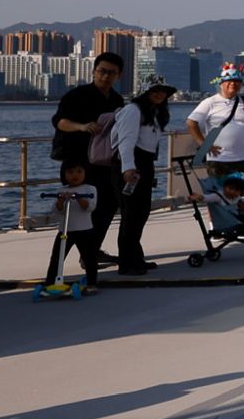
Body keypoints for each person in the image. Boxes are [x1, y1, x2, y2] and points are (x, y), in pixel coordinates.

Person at [50, 50, 126, 285]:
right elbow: (60, 121)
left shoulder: (116, 100)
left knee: (106, 206)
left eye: (111, 73)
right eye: (102, 71)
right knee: (76, 213)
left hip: (103, 161)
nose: (106, 76)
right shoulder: (77, 95)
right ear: (94, 71)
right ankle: (56, 269)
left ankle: (91, 251)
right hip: (77, 162)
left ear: (118, 75)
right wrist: (82, 127)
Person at [111, 73, 175, 275]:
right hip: (130, 164)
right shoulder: (133, 110)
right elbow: (126, 141)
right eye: (155, 90)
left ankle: (135, 257)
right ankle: (126, 262)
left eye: (163, 91)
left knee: (141, 212)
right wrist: (127, 168)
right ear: (146, 92)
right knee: (130, 214)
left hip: (145, 164)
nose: (159, 94)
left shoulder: (155, 113)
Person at [186, 62, 244, 181]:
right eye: (229, 81)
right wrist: (204, 144)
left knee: (238, 192)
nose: (233, 84)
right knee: (219, 193)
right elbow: (191, 122)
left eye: (237, 81)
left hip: (242, 158)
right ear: (221, 84)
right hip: (219, 160)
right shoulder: (210, 102)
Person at [41, 160, 98, 296]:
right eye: (70, 172)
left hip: (85, 230)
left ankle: (92, 283)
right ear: (64, 174)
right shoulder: (62, 190)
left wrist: (78, 198)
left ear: (85, 173)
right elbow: (57, 210)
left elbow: (90, 207)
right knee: (57, 257)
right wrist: (61, 200)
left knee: (89, 258)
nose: (74, 175)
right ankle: (50, 282)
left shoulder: (90, 189)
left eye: (79, 171)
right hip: (65, 230)